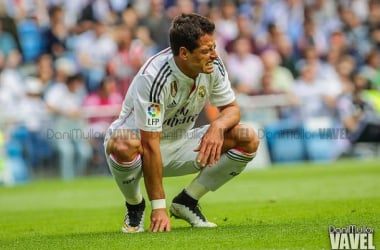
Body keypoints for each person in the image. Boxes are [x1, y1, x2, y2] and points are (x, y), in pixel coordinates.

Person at [104, 13, 259, 233]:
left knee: (248, 138)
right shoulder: (154, 76)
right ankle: (135, 205)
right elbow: (150, 144)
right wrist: (158, 208)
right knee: (123, 144)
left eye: (213, 47)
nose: (214, 55)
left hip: (180, 142)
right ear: (184, 53)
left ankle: (187, 201)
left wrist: (218, 126)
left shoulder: (213, 64)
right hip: (140, 148)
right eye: (206, 50)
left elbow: (232, 109)